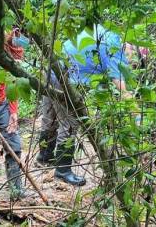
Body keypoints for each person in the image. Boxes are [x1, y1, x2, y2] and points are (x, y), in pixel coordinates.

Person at [36, 25, 131, 186]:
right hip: (64, 77)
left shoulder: (101, 32)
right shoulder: (113, 45)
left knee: (50, 117)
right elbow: (120, 87)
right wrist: (133, 110)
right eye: (132, 54)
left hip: (49, 70)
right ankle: (63, 170)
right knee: (70, 123)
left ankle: (44, 156)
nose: (131, 57)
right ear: (127, 44)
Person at [0, 27, 30, 200]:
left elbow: (14, 82)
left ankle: (16, 190)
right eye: (14, 34)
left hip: (3, 102)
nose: (17, 39)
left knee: (13, 143)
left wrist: (13, 112)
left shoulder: (18, 48)